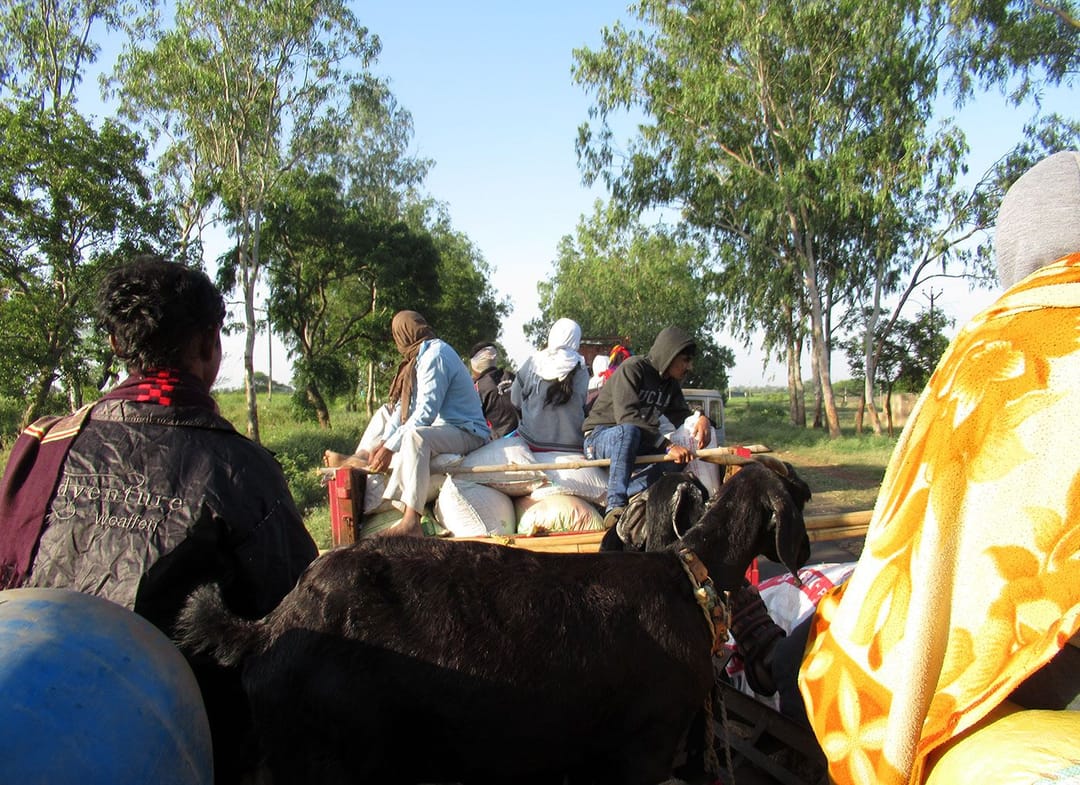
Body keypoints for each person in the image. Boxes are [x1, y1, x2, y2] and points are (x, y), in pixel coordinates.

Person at [735, 151, 1080, 785]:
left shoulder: (999, 344)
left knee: (854, 625)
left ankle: (769, 667)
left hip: (1036, 657)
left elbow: (919, 531)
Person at [0, 255, 319, 784]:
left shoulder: (44, 444)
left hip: (26, 711)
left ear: (115, 344)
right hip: (186, 741)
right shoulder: (242, 468)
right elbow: (296, 619)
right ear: (209, 346)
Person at [347, 310, 490, 537]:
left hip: (468, 432)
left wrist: (390, 448)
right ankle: (363, 460)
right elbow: (405, 409)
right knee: (396, 430)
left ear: (403, 336)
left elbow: (424, 413)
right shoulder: (417, 360)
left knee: (416, 437)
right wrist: (385, 442)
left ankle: (411, 522)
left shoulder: (436, 355)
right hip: (447, 429)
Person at [582, 326, 711, 526]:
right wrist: (667, 446)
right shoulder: (633, 368)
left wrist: (701, 418)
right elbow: (627, 417)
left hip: (636, 439)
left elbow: (682, 415)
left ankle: (629, 492)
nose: (689, 367)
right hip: (599, 438)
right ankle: (615, 506)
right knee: (629, 430)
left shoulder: (670, 384)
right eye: (685, 360)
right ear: (670, 354)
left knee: (680, 458)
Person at [510, 317, 589, 452]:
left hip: (533, 442)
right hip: (573, 445)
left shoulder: (534, 364)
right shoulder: (582, 370)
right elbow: (583, 404)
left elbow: (515, 400)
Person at [469, 341, 519, 438]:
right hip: (526, 434)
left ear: (474, 365)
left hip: (501, 441)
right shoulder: (511, 376)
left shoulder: (477, 387)